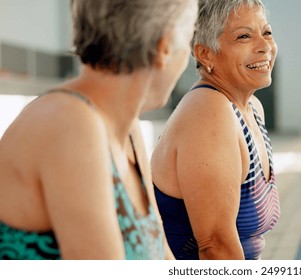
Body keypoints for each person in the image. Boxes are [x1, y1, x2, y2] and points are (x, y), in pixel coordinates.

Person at [0, 0, 197, 259]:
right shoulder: (70, 124)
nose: (189, 55)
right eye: (190, 35)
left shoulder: (128, 128)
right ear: (165, 46)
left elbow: (161, 256)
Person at [152, 0, 280, 260]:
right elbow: (215, 247)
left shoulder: (252, 108)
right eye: (244, 36)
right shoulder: (209, 110)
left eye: (266, 32)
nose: (264, 46)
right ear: (205, 54)